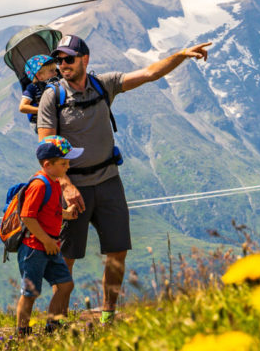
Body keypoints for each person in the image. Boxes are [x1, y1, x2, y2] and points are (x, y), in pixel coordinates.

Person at [37, 34, 212, 324]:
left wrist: (181, 55)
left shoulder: (103, 84)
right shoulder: (52, 97)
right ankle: (57, 321)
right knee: (67, 257)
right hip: (73, 186)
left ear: (84, 59)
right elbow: (46, 151)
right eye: (59, 60)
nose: (62, 64)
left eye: (68, 58)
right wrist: (65, 186)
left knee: (117, 251)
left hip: (108, 181)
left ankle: (108, 316)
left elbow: (148, 73)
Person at [15, 136, 81, 336]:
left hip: (50, 244)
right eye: (63, 163)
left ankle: (52, 326)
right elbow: (27, 216)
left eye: (68, 162)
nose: (67, 167)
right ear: (47, 164)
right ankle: (22, 334)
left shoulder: (53, 182)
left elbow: (49, 209)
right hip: (34, 247)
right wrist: (46, 241)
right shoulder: (40, 185)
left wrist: (66, 213)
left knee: (65, 285)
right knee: (30, 293)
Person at [19, 55, 59, 129]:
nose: (56, 73)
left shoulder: (56, 84)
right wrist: (43, 110)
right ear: (39, 76)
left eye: (55, 70)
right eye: (51, 71)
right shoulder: (32, 88)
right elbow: (22, 107)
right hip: (39, 122)